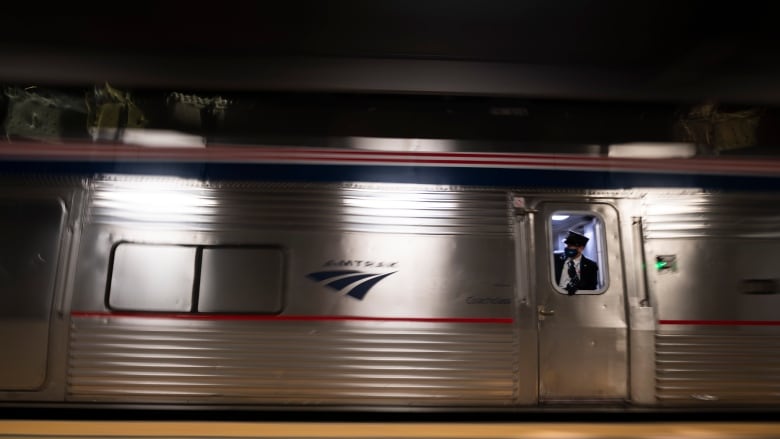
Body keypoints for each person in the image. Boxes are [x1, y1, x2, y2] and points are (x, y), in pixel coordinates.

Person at [554, 230, 599, 295]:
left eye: (570, 245)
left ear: (581, 248)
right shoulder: (555, 258)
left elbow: (591, 288)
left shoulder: (591, 266)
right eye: (566, 245)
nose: (567, 247)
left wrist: (577, 287)